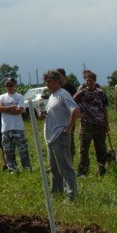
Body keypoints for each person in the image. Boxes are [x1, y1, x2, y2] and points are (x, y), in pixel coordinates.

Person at [40, 70, 82, 200]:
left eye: (50, 81)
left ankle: (71, 196)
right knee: (53, 169)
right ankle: (56, 194)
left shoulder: (63, 94)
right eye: (47, 82)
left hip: (60, 136)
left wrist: (69, 127)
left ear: (58, 81)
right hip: (50, 138)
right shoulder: (52, 96)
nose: (48, 84)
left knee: (65, 168)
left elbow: (75, 110)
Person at [73, 71, 109, 176]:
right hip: (86, 125)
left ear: (94, 81)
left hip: (99, 124)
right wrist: (80, 114)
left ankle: (102, 170)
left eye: (91, 80)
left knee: (101, 148)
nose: (89, 82)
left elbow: (104, 108)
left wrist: (106, 124)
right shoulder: (82, 93)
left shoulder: (100, 93)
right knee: (84, 149)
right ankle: (83, 171)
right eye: (87, 80)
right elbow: (71, 103)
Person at [0, 78, 31, 172]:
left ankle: (26, 167)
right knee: (8, 150)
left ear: (15, 85)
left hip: (18, 127)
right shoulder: (2, 97)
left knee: (22, 149)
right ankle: (12, 169)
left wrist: (5, 109)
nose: (9, 87)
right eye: (7, 85)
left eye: (10, 85)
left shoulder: (19, 97)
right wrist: (11, 107)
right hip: (6, 128)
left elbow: (20, 110)